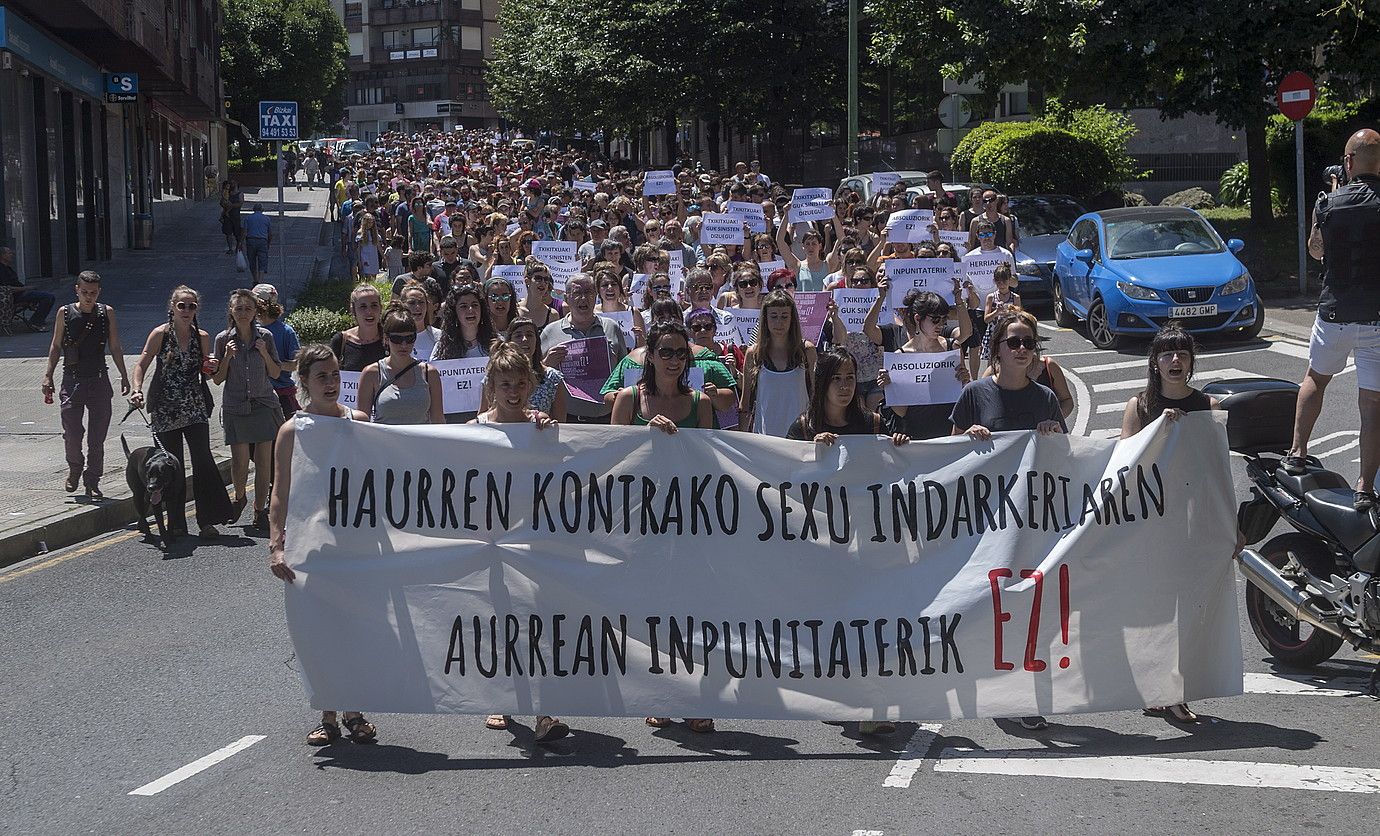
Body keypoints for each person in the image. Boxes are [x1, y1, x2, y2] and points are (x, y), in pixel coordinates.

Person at [950, 310, 1066, 732]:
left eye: (1028, 343)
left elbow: (1065, 461)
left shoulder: (1045, 398)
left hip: (1032, 518)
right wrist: (968, 438)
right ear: (996, 349)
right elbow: (949, 458)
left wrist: (1054, 434)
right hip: (986, 520)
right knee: (992, 603)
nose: (1022, 349)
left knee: (1030, 603)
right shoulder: (975, 394)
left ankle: (1025, 690)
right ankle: (991, 679)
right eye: (1013, 342)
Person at [267, 343, 378, 746]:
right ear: (304, 383)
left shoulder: (360, 422)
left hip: (354, 548)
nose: (331, 384)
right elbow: (280, 493)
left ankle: (355, 713)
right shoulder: (292, 431)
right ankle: (327, 715)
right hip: (310, 551)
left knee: (353, 630)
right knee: (318, 634)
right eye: (321, 377)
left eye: (335, 375)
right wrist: (276, 546)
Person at [612, 320, 715, 735]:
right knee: (651, 609)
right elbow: (610, 458)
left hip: (689, 519)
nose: (673, 360)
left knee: (691, 608)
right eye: (666, 352)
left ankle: (693, 697)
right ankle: (657, 692)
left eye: (680, 354)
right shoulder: (627, 399)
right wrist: (644, 438)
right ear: (649, 355)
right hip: (642, 519)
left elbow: (712, 463)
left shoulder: (701, 403)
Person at [1119, 323, 1221, 725]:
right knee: (1153, 609)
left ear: (1192, 361)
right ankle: (1151, 688)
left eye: (1182, 354)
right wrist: (1160, 431)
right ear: (1154, 363)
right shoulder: (1139, 406)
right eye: (1167, 354)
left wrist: (1229, 525)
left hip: (1192, 523)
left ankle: (1176, 693)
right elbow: (1125, 465)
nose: (1175, 361)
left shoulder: (1207, 407)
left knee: (1186, 612)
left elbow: (1215, 473)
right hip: (1150, 522)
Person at [470, 340, 568, 742]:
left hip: (535, 540)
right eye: (505, 383)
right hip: (493, 542)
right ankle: (503, 697)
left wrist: (546, 433)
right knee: (500, 618)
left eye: (520, 384)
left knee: (540, 620)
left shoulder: (540, 427)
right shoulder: (476, 430)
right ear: (492, 385)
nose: (513, 392)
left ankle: (546, 711)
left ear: (530, 385)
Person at [1286, 127, 1380, 510]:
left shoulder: (1329, 202)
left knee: (1315, 379)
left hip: (1334, 314)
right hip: (1376, 318)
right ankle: (1363, 486)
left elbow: (1315, 251)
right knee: (1372, 404)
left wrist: (1323, 207)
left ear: (1349, 161)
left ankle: (1296, 451)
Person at [128, 286, 235, 538]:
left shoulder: (202, 336)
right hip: (165, 409)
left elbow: (206, 370)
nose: (187, 311)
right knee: (170, 467)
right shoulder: (160, 334)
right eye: (182, 306)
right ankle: (176, 524)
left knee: (203, 461)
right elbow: (142, 362)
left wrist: (211, 366)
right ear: (172, 308)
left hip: (194, 406)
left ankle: (206, 521)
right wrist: (136, 389)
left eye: (192, 306)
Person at [40, 271, 130, 496]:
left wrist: (124, 375)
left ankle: (93, 480)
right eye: (85, 292)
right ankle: (74, 469)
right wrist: (48, 375)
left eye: (93, 292)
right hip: (72, 380)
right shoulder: (65, 313)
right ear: (77, 290)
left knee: (97, 437)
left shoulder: (106, 312)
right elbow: (55, 346)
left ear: (99, 291)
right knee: (72, 432)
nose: (89, 297)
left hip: (99, 380)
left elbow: (115, 346)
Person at [211, 289, 285, 531]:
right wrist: (227, 358)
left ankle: (259, 509)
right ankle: (240, 496)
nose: (244, 313)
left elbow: (275, 373)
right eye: (239, 308)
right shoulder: (223, 339)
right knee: (240, 462)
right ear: (231, 311)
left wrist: (263, 352)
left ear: (255, 312)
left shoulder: (265, 336)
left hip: (264, 403)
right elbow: (218, 379)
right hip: (236, 406)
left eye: (248, 308)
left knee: (264, 462)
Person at [876, 286, 972, 439]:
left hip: (949, 426)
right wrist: (889, 387)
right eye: (934, 320)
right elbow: (901, 412)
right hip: (916, 431)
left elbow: (961, 393)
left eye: (943, 319)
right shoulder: (901, 356)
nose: (940, 325)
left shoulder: (952, 347)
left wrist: (965, 380)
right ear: (917, 318)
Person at [539, 273, 629, 424]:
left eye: (588, 292)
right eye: (577, 293)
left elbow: (624, 371)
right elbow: (534, 377)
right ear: (566, 299)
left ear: (595, 296)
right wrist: (547, 364)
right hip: (568, 421)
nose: (583, 298)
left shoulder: (611, 327)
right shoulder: (550, 332)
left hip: (607, 420)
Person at [740, 290, 816, 436]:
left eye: (784, 316)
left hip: (801, 437)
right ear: (765, 319)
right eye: (773, 316)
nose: (779, 322)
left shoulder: (806, 351)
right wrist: (743, 440)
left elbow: (816, 397)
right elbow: (745, 404)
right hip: (765, 439)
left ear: (792, 319)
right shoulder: (754, 354)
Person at [357, 306, 444, 425]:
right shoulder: (371, 374)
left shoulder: (430, 373)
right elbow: (362, 423)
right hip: (383, 443)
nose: (404, 345)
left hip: (421, 442)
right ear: (386, 339)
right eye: (397, 339)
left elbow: (438, 421)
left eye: (409, 338)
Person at [501, 317, 567, 420]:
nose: (524, 339)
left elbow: (560, 423)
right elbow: (485, 416)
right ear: (509, 341)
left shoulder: (553, 378)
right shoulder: (496, 375)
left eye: (529, 335)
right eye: (518, 335)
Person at [253, 284, 302, 420]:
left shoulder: (286, 331)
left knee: (289, 435)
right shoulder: (248, 330)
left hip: (282, 393)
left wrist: (273, 366)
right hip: (254, 394)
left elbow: (295, 364)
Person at [330, 284, 387, 372]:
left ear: (381, 308)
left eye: (374, 305)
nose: (369, 311)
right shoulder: (340, 342)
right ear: (353, 310)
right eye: (363, 307)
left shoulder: (391, 339)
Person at [0, 245, 55, 330]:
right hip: (14, 296)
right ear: (2, 256)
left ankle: (38, 319)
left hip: (22, 292)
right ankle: (35, 322)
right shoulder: (2, 270)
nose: (12, 254)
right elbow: (7, 288)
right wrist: (27, 288)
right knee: (48, 297)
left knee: (48, 296)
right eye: (9, 253)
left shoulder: (8, 268)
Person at [399, 282, 442, 362]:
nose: (417, 307)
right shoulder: (396, 337)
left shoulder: (439, 336)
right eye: (412, 303)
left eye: (421, 302)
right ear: (402, 305)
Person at [243, 204, 273, 285]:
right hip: (262, 241)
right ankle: (260, 280)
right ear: (262, 210)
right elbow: (270, 233)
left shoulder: (248, 218)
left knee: (252, 260)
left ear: (253, 209)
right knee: (262, 260)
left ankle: (255, 279)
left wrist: (241, 243)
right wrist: (268, 243)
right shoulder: (267, 219)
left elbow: (245, 232)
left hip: (251, 241)